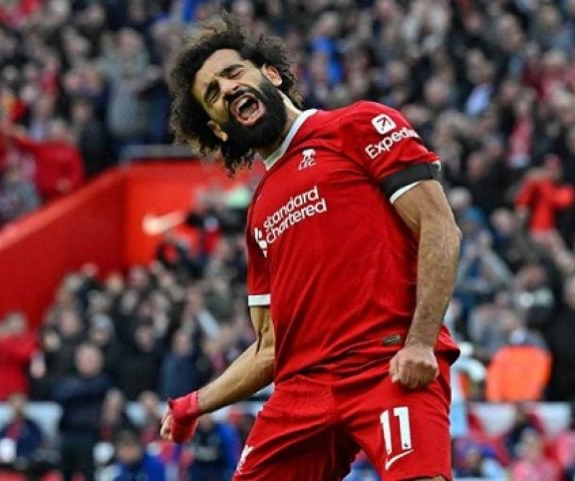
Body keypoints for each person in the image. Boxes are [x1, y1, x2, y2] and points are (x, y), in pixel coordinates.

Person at [161, 13, 461, 481]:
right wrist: (195, 403)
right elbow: (269, 348)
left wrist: (420, 342)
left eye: (233, 73)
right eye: (213, 94)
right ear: (219, 129)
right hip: (302, 391)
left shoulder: (358, 125)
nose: (228, 89)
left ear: (271, 74)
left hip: (388, 362)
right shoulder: (259, 213)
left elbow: (439, 227)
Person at [53, 342, 111, 481]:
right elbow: (58, 395)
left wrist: (72, 392)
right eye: (83, 358)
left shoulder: (103, 381)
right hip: (67, 434)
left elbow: (89, 390)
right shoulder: (68, 379)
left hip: (90, 436)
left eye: (90, 358)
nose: (86, 362)